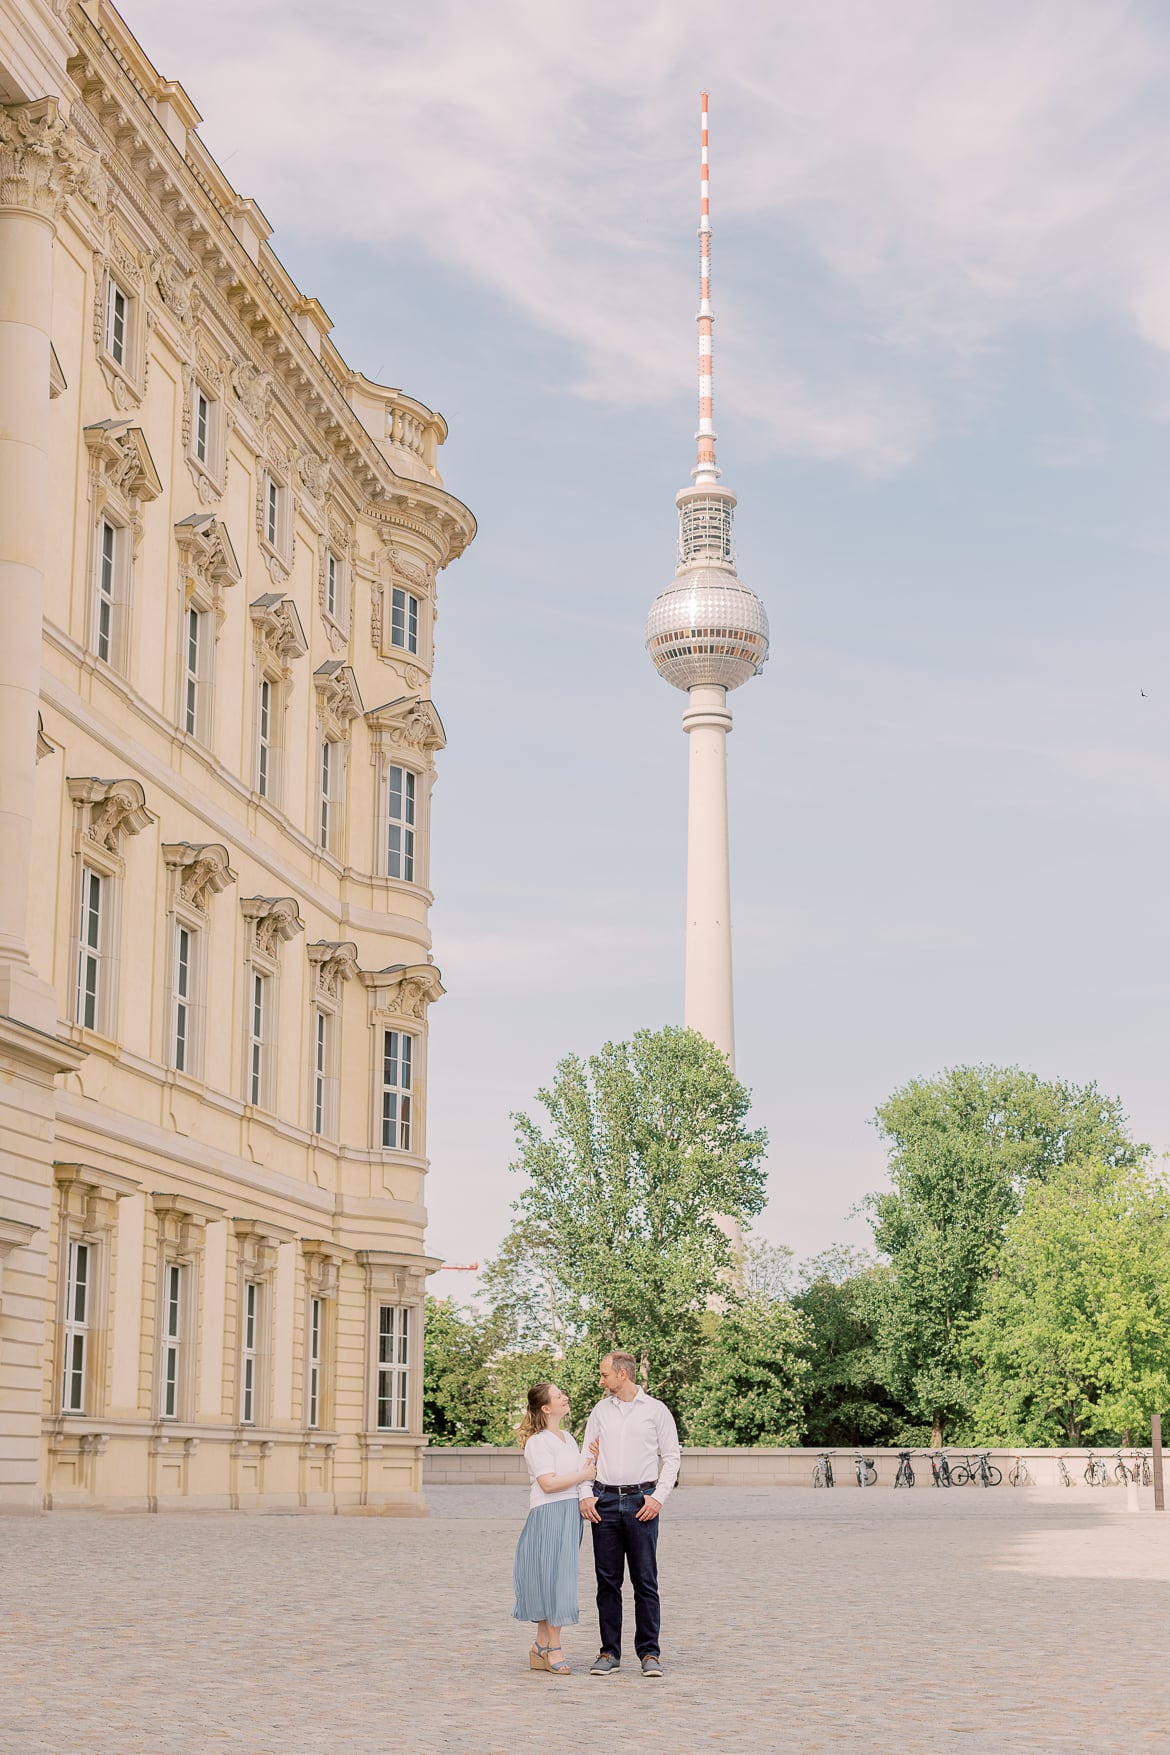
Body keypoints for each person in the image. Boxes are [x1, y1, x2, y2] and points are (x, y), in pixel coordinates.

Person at [578, 1350, 681, 1677]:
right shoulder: (600, 1411)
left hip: (642, 1503)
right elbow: (586, 1453)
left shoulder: (656, 1411)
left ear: (622, 1374)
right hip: (604, 1502)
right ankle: (609, 1652)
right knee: (607, 1582)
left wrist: (658, 1498)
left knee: (645, 1581)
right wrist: (585, 1495)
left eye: (604, 1374)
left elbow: (672, 1457)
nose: (601, 1380)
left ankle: (650, 1653)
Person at [512, 1382, 598, 1675]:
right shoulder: (538, 1442)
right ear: (546, 1408)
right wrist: (582, 1474)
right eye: (559, 1395)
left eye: (564, 1392)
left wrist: (590, 1463)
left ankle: (540, 1646)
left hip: (569, 1513)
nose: (566, 1396)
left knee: (559, 1577)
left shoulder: (569, 1438)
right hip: (548, 1513)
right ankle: (554, 1648)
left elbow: (578, 1471)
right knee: (553, 1580)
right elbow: (547, 1484)